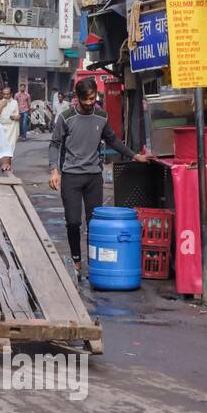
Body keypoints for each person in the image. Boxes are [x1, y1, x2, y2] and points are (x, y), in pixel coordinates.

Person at [49, 76, 149, 283]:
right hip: (71, 177)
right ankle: (76, 261)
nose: (88, 103)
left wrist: (134, 155)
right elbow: (55, 143)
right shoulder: (66, 117)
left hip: (94, 176)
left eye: (92, 99)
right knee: (73, 222)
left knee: (94, 223)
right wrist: (54, 170)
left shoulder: (101, 117)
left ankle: (94, 262)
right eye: (85, 99)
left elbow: (112, 139)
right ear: (77, 97)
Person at [0, 84, 20, 165]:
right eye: (4, 94)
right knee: (1, 146)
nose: (6, 96)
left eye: (7, 94)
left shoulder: (15, 102)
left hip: (12, 128)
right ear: (2, 95)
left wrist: (16, 117)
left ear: (11, 94)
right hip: (1, 127)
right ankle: (2, 160)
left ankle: (8, 164)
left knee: (11, 146)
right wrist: (1, 106)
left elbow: (18, 115)